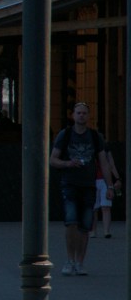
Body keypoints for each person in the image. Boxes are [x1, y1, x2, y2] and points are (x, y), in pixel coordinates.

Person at [50, 102, 114, 276]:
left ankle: (80, 262)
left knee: (85, 225)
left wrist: (109, 185)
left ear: (88, 116)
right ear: (73, 115)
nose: (81, 116)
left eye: (84, 113)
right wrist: (68, 163)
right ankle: (70, 260)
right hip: (70, 184)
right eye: (78, 113)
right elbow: (53, 159)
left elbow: (104, 162)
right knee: (71, 222)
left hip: (88, 186)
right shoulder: (65, 135)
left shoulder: (95, 136)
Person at [91, 147, 122, 240]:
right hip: (92, 181)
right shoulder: (90, 149)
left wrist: (117, 179)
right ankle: (93, 231)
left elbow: (112, 165)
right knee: (93, 208)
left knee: (106, 206)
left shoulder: (106, 151)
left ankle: (106, 231)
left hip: (106, 180)